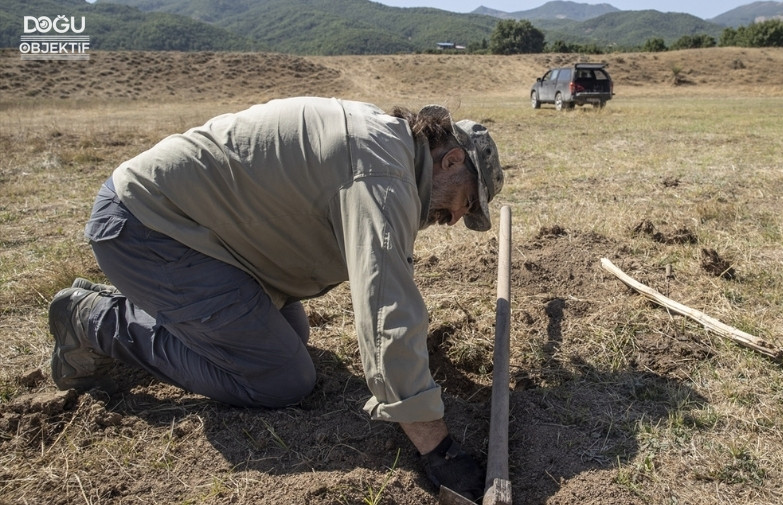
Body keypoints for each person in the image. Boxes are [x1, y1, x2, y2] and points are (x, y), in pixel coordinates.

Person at [48, 97, 503, 500]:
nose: (457, 218)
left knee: (293, 333)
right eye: (468, 201)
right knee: (281, 379)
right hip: (146, 228)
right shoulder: (383, 174)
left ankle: (169, 307)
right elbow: (386, 311)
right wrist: (438, 449)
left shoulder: (387, 144)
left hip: (202, 235)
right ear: (451, 160)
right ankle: (94, 320)